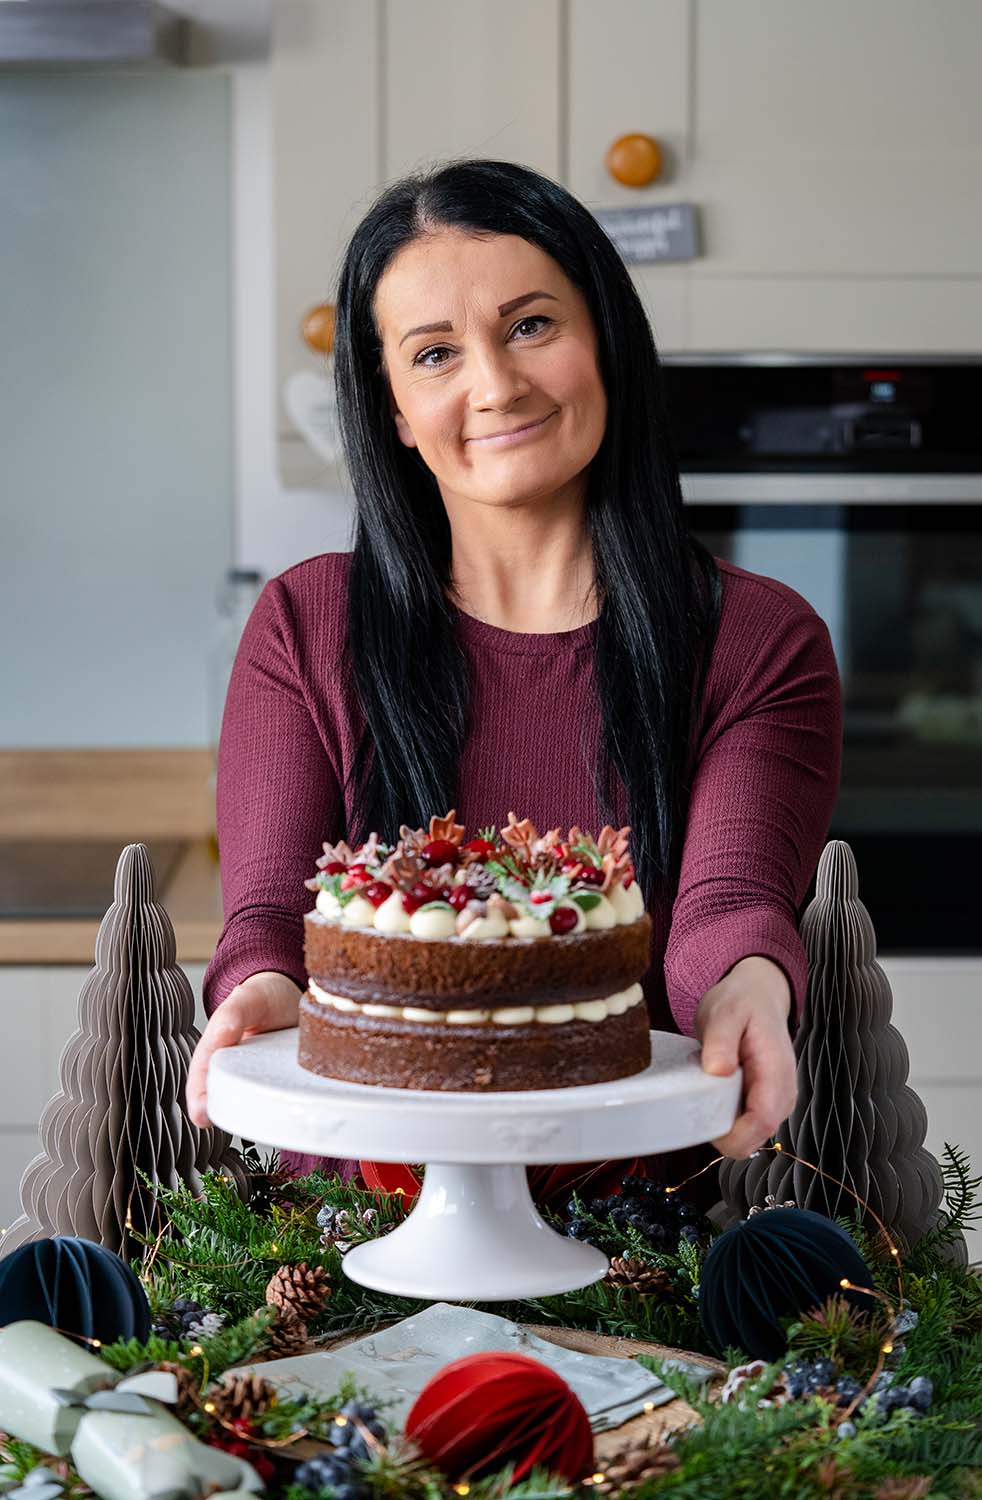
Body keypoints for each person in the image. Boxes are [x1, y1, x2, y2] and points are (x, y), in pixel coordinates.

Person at [186, 158, 842, 1210]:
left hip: (645, 1244)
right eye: (435, 353)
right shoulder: (307, 626)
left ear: (605, 339)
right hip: (351, 1237)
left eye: (531, 324)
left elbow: (726, 910)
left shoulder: (756, 641)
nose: (493, 385)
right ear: (395, 406)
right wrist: (256, 996)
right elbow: (267, 927)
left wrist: (751, 987)